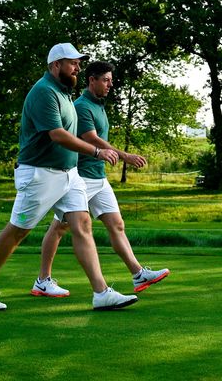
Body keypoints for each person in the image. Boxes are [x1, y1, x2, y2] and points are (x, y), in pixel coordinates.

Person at [0, 43, 138, 312]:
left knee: (82, 225)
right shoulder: (44, 92)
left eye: (79, 63)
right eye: (73, 63)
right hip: (39, 174)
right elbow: (57, 135)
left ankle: (101, 292)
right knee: (18, 231)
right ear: (56, 65)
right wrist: (97, 150)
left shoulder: (64, 92)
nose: (78, 68)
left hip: (69, 174)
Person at [31, 60, 169, 298]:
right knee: (59, 228)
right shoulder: (82, 106)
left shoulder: (98, 105)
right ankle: (43, 280)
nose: (110, 85)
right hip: (81, 177)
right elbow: (91, 138)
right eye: (105, 80)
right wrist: (124, 155)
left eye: (111, 80)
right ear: (91, 80)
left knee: (117, 224)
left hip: (98, 177)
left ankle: (138, 274)